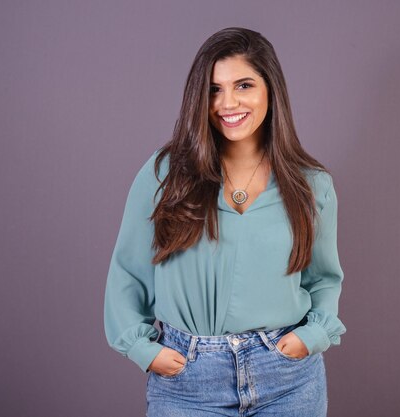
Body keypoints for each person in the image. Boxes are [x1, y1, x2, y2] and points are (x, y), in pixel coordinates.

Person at [104, 26, 346, 417]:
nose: (227, 102)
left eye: (244, 85)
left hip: (287, 380)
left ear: (271, 89)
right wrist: (142, 348)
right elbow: (128, 272)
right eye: (214, 89)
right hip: (188, 381)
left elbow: (323, 278)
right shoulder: (166, 174)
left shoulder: (311, 185)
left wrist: (312, 335)